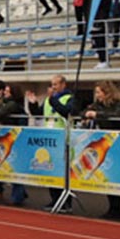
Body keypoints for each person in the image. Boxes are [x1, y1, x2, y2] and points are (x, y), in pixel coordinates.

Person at [25, 75, 76, 212]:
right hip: (50, 139)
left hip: (63, 138)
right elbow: (38, 113)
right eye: (52, 84)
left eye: (56, 84)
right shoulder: (49, 99)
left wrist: (53, 99)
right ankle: (54, 199)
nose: (53, 87)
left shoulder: (69, 98)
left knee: (63, 171)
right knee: (51, 169)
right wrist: (33, 103)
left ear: (63, 84)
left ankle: (66, 202)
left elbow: (65, 112)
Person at [82, 81, 120, 221]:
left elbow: (117, 116)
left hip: (116, 142)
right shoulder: (97, 104)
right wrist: (88, 114)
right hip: (103, 143)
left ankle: (117, 209)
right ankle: (111, 207)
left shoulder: (119, 104)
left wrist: (97, 114)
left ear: (107, 92)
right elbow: (83, 112)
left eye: (98, 92)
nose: (97, 95)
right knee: (107, 176)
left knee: (115, 176)